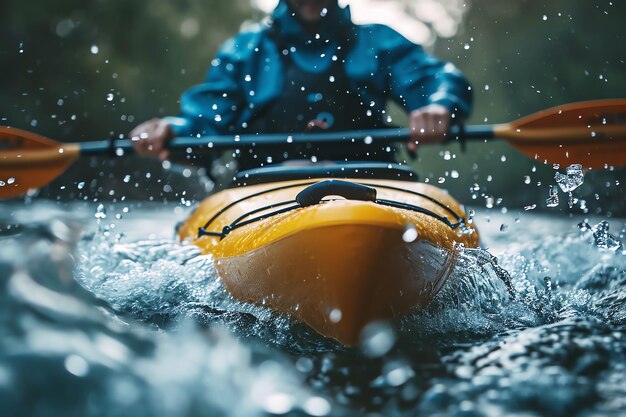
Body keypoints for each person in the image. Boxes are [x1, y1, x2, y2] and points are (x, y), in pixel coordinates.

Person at [130, 0, 472, 172]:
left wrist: (440, 105)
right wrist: (173, 130)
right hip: (264, 193)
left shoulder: (377, 43)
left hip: (369, 184)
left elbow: (437, 80)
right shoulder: (247, 51)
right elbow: (205, 123)